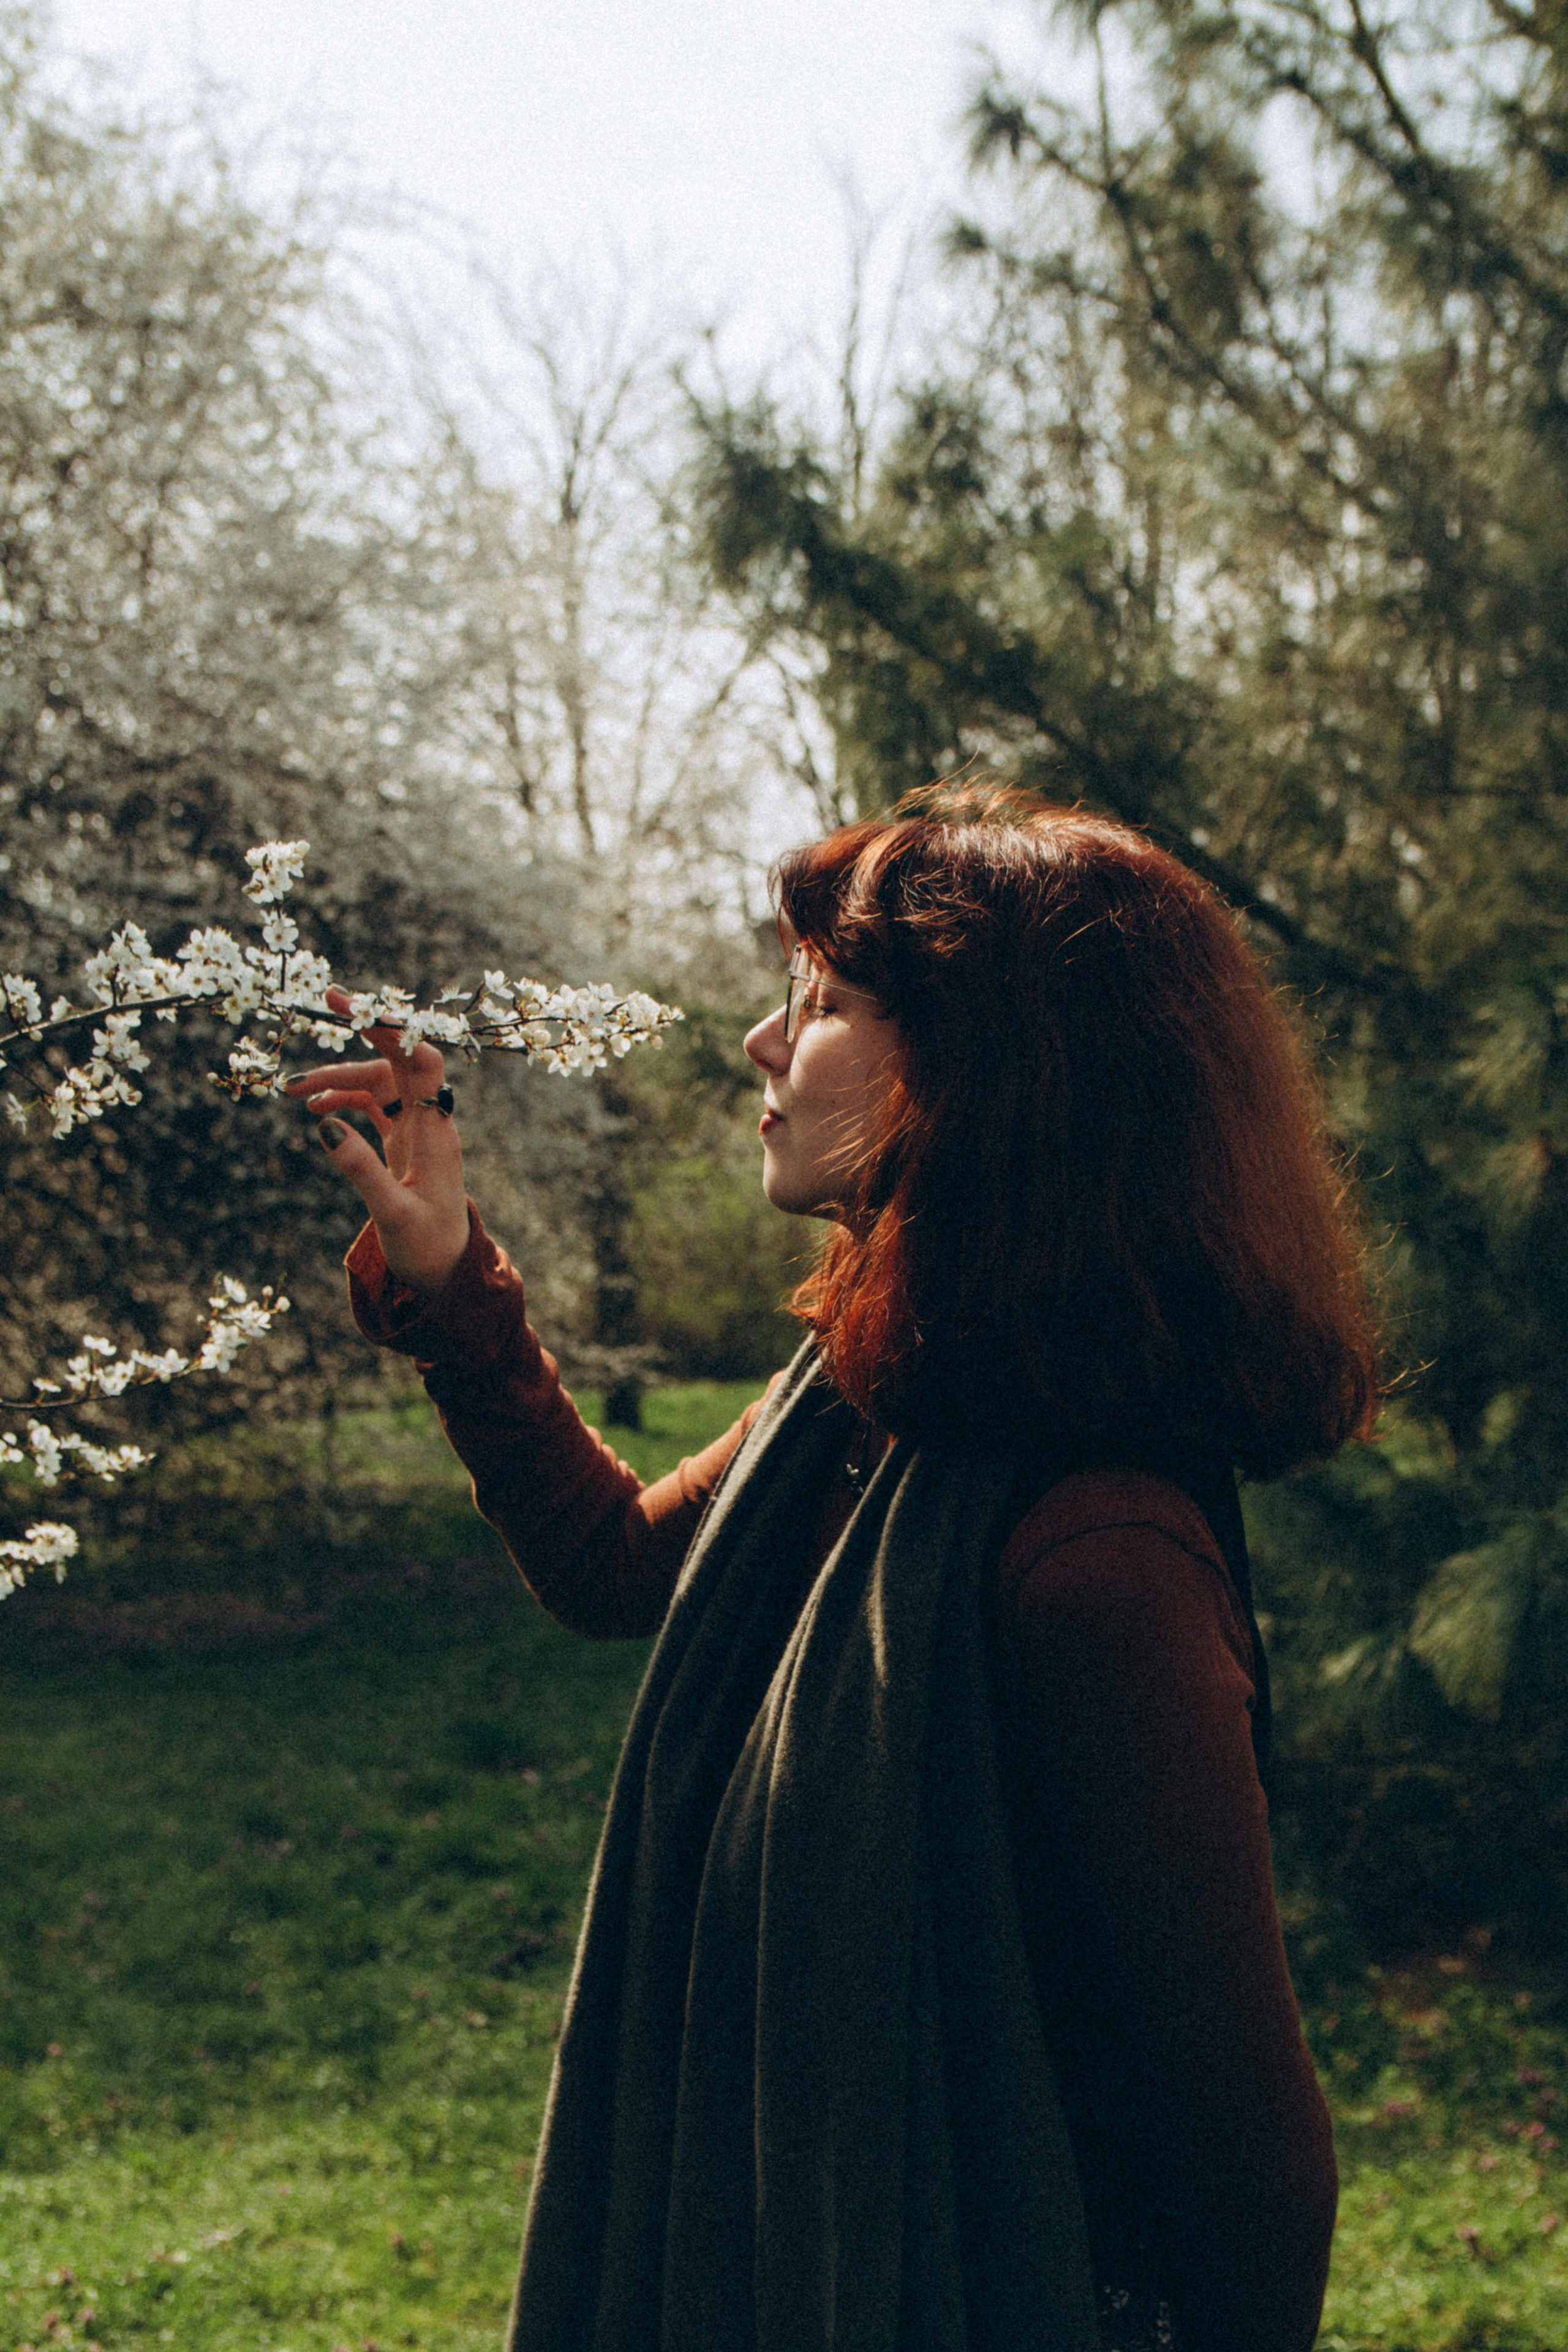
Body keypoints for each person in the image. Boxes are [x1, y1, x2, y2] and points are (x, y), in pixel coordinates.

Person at [289, 782, 1376, 2352]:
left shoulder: (1097, 1554)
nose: (759, 1042)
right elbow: (614, 1571)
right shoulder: (863, 1405)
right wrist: (455, 1284)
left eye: (823, 1001)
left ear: (982, 1073)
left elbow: (1251, 2168)